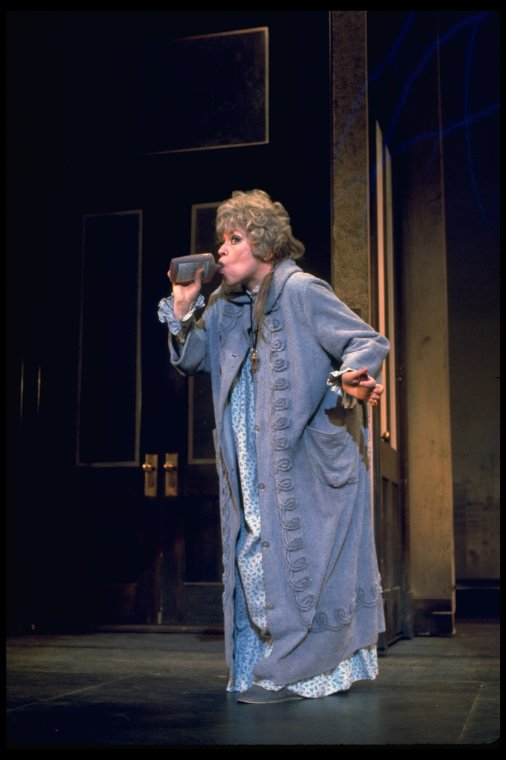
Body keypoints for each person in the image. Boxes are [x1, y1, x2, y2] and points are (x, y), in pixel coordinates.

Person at [158, 189, 390, 704]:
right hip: (248, 457)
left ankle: (297, 672)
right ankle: (264, 665)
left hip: (304, 460)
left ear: (264, 245)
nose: (222, 250)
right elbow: (192, 357)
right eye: (222, 239)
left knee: (292, 559)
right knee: (254, 555)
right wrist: (182, 306)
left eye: (235, 239)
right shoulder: (222, 306)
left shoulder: (302, 291)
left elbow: (366, 341)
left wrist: (349, 377)